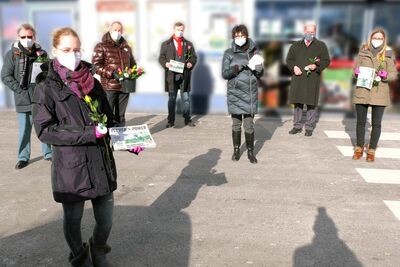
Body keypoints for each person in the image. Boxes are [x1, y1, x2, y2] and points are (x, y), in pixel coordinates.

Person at [32, 27, 143, 267]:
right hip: (72, 167)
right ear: (55, 51)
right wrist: (87, 133)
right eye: (66, 50)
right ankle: (78, 254)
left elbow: (110, 120)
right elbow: (45, 130)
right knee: (73, 220)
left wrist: (128, 140)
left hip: (101, 162)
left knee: (106, 220)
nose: (73, 54)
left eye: (77, 49)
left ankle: (98, 248)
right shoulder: (46, 87)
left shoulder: (92, 83)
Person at [1, 23, 52, 169]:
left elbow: (48, 73)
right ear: (19, 37)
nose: (27, 39)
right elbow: (5, 75)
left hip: (39, 97)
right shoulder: (12, 54)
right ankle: (23, 157)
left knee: (43, 125)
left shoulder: (42, 54)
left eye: (30, 36)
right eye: (23, 36)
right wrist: (20, 90)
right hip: (23, 97)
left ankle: (49, 153)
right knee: (24, 130)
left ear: (34, 37)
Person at [352, 28, 398, 162]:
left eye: (380, 38)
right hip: (363, 91)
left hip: (380, 92)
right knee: (360, 122)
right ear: (370, 38)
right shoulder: (363, 52)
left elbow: (394, 74)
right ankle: (359, 148)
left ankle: (371, 150)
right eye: (375, 37)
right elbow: (355, 69)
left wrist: (386, 75)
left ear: (384, 40)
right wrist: (356, 72)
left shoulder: (388, 54)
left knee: (376, 124)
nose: (377, 40)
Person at [222, 24, 264, 164]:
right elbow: (225, 74)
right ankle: (236, 150)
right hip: (235, 92)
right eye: (237, 36)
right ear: (234, 37)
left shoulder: (255, 53)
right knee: (235, 124)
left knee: (249, 125)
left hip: (250, 93)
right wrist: (236, 68)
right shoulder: (229, 53)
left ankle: (251, 152)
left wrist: (256, 68)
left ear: (247, 36)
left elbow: (260, 73)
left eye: (242, 35)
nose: (239, 38)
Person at [286, 22, 330, 136]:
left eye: (312, 32)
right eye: (308, 31)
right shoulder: (296, 45)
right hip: (298, 78)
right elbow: (289, 59)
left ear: (315, 32)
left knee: (311, 103)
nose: (310, 34)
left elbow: (326, 60)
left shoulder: (321, 45)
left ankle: (309, 127)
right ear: (304, 31)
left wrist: (316, 66)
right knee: (298, 103)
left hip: (312, 78)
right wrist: (294, 67)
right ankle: (297, 126)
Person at [92, 21, 136, 126]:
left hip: (125, 86)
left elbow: (133, 64)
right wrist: (112, 73)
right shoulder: (101, 46)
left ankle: (121, 135)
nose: (117, 32)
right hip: (109, 86)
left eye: (120, 30)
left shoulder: (126, 47)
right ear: (110, 30)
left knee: (121, 115)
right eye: (115, 30)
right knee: (108, 113)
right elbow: (96, 66)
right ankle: (108, 136)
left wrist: (132, 72)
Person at [159, 22, 197, 128]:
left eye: (181, 30)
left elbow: (194, 57)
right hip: (172, 75)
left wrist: (191, 63)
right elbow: (161, 57)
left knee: (186, 98)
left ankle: (187, 119)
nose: (180, 32)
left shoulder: (188, 44)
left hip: (184, 74)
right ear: (174, 30)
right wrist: (165, 63)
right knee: (172, 98)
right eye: (178, 29)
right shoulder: (166, 44)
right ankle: (170, 120)